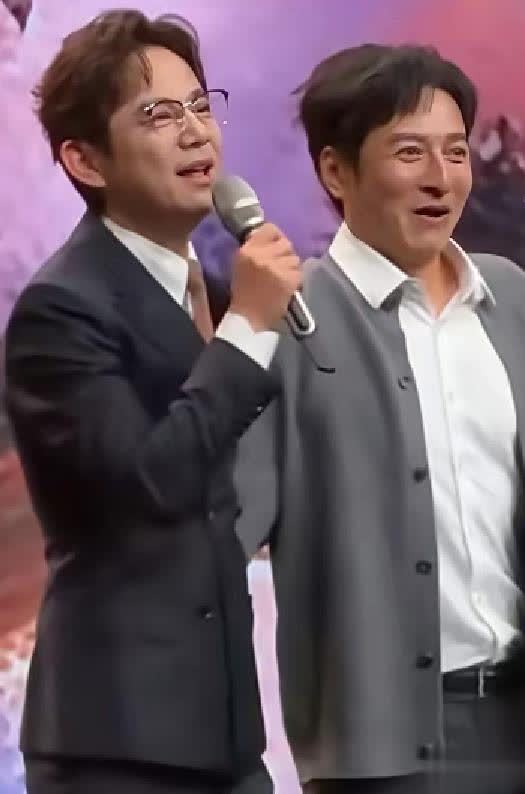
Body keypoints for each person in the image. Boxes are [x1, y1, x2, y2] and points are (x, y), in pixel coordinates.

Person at [234, 44, 525, 793]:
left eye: (454, 151)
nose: (440, 177)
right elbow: (214, 536)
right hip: (377, 762)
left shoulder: (514, 304)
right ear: (336, 171)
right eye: (409, 152)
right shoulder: (290, 325)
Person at [4, 10, 301, 794]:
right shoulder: (61, 309)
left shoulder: (210, 290)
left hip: (227, 736)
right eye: (159, 115)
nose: (196, 132)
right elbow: (147, 482)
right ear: (85, 159)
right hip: (118, 744)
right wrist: (247, 331)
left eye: (201, 106)